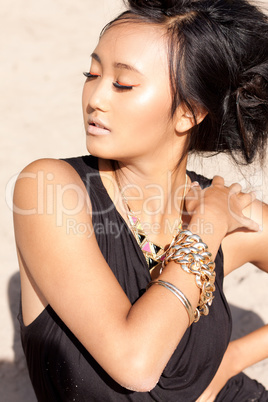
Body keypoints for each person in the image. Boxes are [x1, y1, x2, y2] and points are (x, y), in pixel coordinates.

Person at [13, 0, 268, 400]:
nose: (95, 97)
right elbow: (136, 362)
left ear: (189, 111)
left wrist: (233, 360)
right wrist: (208, 226)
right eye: (91, 73)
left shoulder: (228, 209)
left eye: (123, 84)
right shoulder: (52, 190)